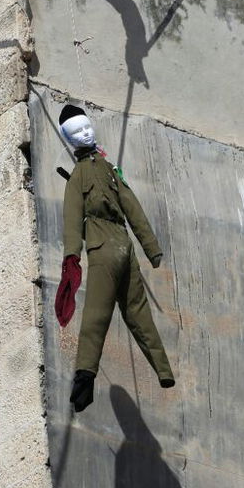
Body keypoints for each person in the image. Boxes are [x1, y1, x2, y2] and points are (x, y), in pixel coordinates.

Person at [54, 105, 174, 412]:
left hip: (124, 247)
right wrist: (72, 258)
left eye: (87, 127)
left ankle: (164, 371)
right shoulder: (78, 177)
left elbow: (132, 207)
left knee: (139, 314)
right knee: (97, 315)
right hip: (102, 247)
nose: (86, 133)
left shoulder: (109, 170)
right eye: (78, 131)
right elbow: (71, 217)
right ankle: (85, 378)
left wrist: (151, 248)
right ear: (69, 139)